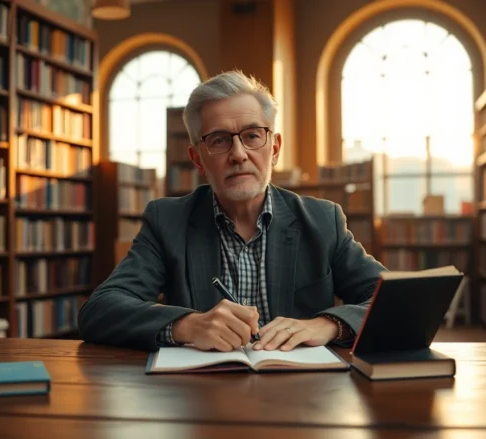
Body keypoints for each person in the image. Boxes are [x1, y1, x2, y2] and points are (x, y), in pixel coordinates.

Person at [78, 70, 388, 353]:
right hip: (203, 397)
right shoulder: (167, 221)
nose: (238, 155)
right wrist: (186, 325)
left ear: (275, 148)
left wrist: (327, 325)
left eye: (253, 136)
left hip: (303, 395)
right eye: (219, 141)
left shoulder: (322, 220)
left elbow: (396, 301)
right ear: (198, 160)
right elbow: (100, 310)